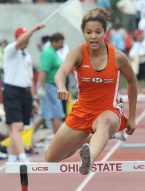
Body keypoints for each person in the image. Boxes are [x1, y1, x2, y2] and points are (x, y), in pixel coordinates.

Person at [45, 8, 138, 175]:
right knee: (51, 157)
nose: (93, 36)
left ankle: (89, 159)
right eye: (89, 32)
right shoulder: (78, 52)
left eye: (97, 32)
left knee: (105, 122)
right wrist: (61, 86)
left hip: (109, 111)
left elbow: (132, 81)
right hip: (83, 111)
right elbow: (61, 72)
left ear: (105, 33)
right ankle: (95, 138)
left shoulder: (118, 57)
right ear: (83, 33)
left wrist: (132, 117)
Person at [3, 23, 44, 162]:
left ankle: (12, 157)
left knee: (17, 128)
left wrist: (33, 99)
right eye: (23, 37)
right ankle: (22, 156)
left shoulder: (27, 55)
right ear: (17, 38)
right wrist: (33, 29)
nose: (26, 40)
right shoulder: (10, 49)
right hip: (12, 90)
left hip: (25, 92)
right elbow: (20, 41)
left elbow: (30, 79)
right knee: (17, 125)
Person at [33, 32, 66, 144]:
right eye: (60, 43)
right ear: (54, 42)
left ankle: (26, 138)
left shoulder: (53, 52)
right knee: (56, 114)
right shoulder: (49, 53)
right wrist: (41, 88)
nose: (62, 45)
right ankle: (59, 142)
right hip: (48, 86)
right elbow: (43, 71)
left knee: (43, 115)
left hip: (51, 86)